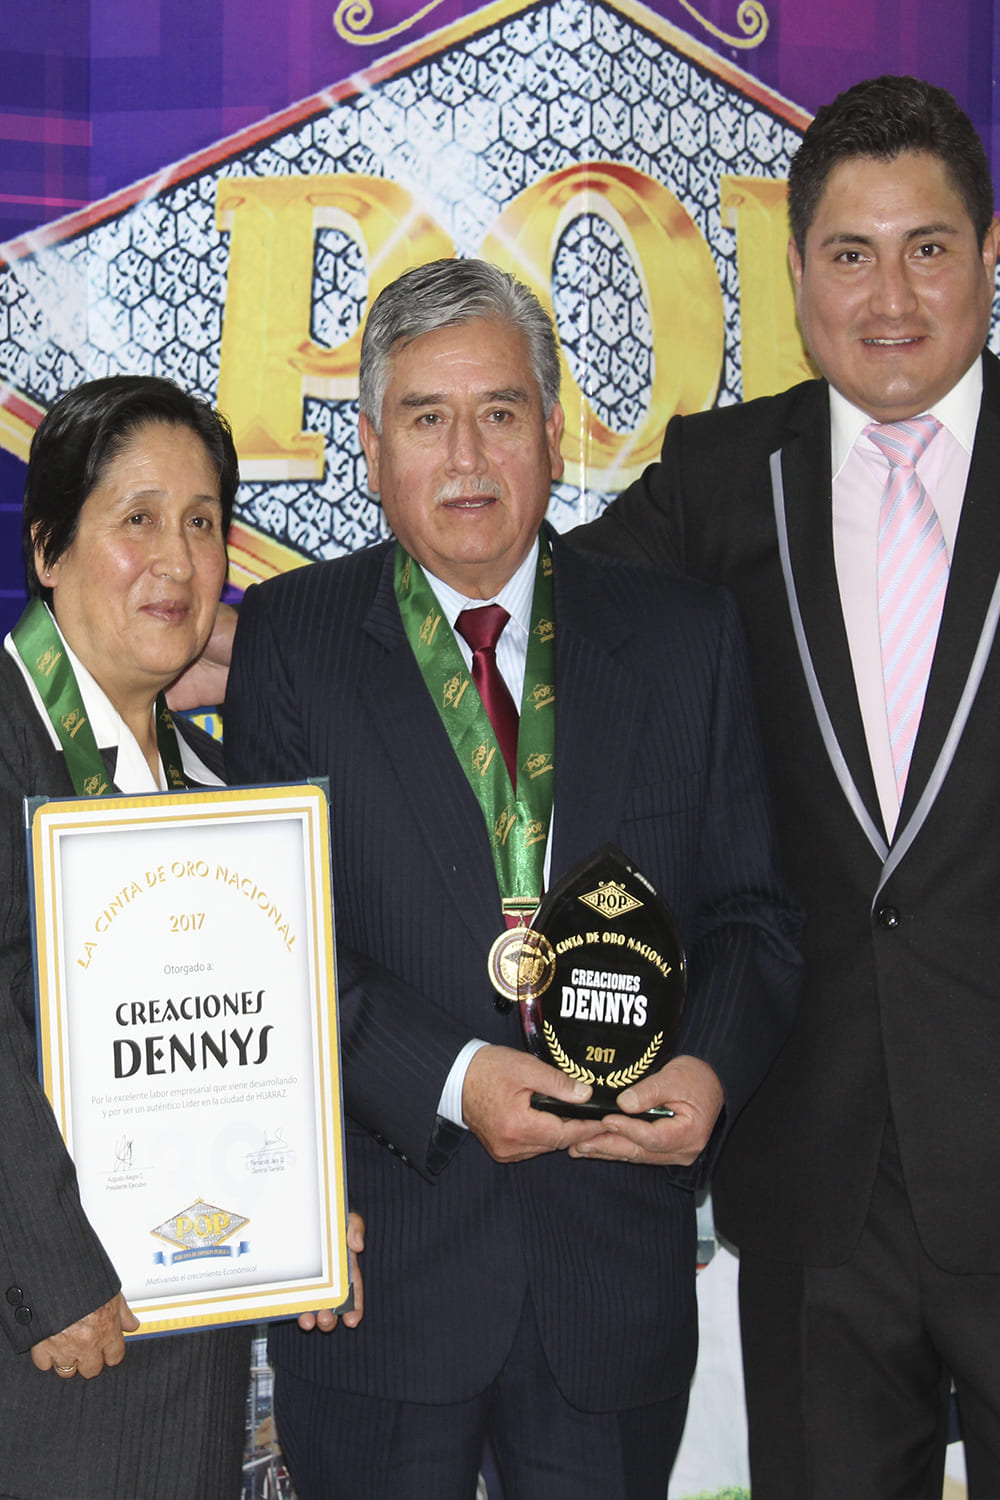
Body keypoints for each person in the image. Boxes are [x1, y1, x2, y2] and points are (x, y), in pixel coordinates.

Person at [224, 257, 802, 1500]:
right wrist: (452, 1077)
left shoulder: (684, 636)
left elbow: (754, 918)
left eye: (498, 412)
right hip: (384, 1283)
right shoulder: (291, 643)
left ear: (551, 430)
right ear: (371, 446)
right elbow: (274, 950)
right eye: (425, 418)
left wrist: (707, 1069)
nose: (466, 456)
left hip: (610, 1275)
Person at [577, 74, 1000, 1500]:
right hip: (817, 1182)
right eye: (850, 254)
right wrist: (271, 639)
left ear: (987, 255)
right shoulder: (720, 478)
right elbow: (527, 613)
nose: (891, 297)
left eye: (927, 248)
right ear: (799, 271)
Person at [0, 375, 360, 1499]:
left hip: (188, 1382)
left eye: (203, 523)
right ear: (47, 549)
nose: (176, 559)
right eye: (138, 518)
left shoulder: (217, 787)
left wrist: (306, 1206)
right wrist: (52, 1275)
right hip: (46, 1355)